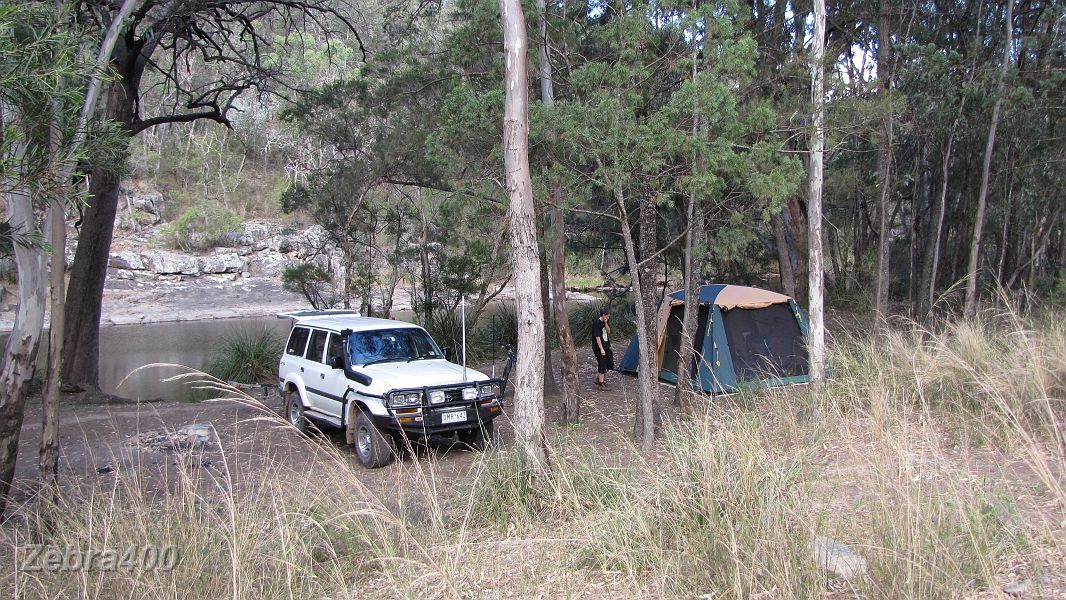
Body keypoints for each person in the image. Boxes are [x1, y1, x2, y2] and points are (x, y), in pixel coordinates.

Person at [592, 306, 613, 388]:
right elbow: (597, 337)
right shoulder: (596, 323)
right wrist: (601, 349)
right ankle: (601, 383)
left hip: (606, 345)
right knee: (602, 363)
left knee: (609, 363)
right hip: (599, 347)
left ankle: (599, 377)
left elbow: (609, 332)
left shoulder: (606, 321)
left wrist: (606, 323)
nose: (609, 316)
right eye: (608, 315)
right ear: (604, 315)